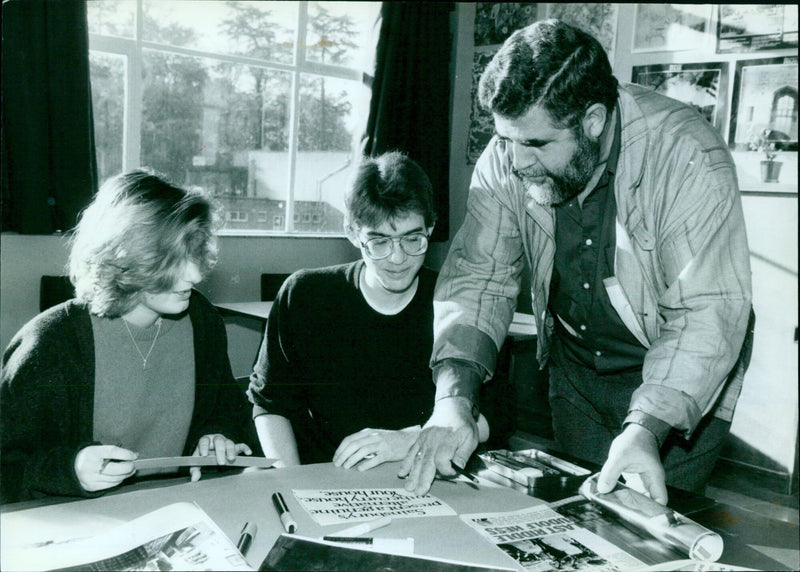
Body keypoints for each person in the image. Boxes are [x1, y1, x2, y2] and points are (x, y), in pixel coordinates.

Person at [400, 19, 753, 503]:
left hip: (684, 369)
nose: (517, 162)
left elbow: (705, 311)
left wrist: (647, 428)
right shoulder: (509, 152)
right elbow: (478, 276)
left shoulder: (686, 153)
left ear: (592, 120)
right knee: (581, 516)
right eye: (506, 140)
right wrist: (453, 400)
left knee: (650, 529)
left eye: (536, 144)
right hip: (575, 368)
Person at [0, 170, 253, 504]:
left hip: (178, 508)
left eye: (193, 254)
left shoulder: (202, 321)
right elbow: (7, 467)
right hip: (76, 521)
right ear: (123, 259)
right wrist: (70, 469)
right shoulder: (50, 343)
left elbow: (226, 411)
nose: (194, 275)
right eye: (171, 261)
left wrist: (216, 436)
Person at [247, 151, 501, 469]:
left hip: (428, 478)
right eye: (379, 241)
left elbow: (499, 415)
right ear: (353, 231)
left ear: (432, 227)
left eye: (412, 239)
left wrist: (413, 439)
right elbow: (270, 403)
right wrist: (290, 481)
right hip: (325, 480)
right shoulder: (305, 295)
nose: (397, 258)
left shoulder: (457, 303)